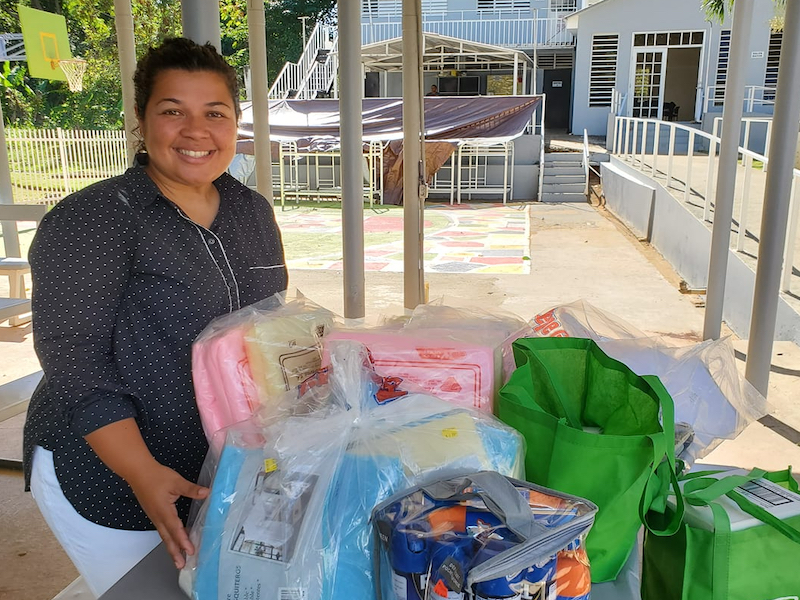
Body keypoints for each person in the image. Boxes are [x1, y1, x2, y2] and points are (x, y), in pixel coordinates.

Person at [23, 38, 287, 597]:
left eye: (214, 113)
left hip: (222, 469)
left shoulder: (251, 211)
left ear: (235, 123)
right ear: (141, 122)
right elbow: (78, 368)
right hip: (112, 473)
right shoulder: (92, 218)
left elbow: (269, 330)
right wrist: (141, 472)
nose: (196, 131)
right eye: (173, 111)